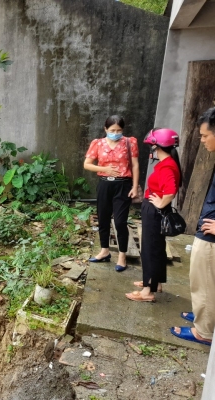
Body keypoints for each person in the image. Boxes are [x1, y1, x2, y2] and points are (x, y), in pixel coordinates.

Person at [171, 107, 215, 346]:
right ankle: (204, 317)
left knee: (205, 283)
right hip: (208, 228)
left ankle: (204, 332)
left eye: (204, 135)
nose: (202, 140)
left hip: (211, 238)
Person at [125, 128, 181, 302]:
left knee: (150, 249)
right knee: (157, 248)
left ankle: (147, 292)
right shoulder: (170, 163)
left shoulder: (166, 166)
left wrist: (160, 203)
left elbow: (170, 191)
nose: (152, 150)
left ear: (158, 146)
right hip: (156, 211)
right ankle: (155, 283)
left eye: (153, 147)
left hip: (155, 211)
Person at [84, 115, 139, 272]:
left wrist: (134, 187)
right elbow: (87, 164)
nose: (116, 133)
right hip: (104, 184)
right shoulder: (98, 144)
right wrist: (104, 169)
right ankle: (104, 251)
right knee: (103, 218)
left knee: (120, 221)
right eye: (112, 130)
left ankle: (122, 255)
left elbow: (135, 166)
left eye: (119, 130)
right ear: (105, 129)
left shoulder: (129, 142)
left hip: (123, 185)